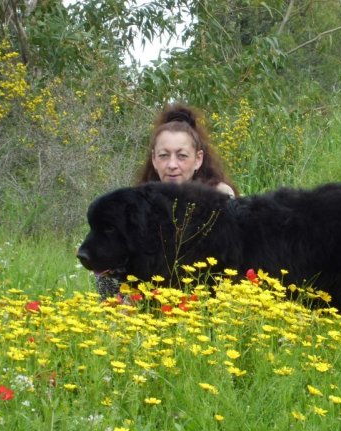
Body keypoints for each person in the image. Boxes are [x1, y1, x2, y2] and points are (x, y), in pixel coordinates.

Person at [95, 103, 238, 299]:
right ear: (154, 159)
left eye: (181, 156)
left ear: (198, 159)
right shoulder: (138, 202)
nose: (172, 165)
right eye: (164, 156)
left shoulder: (220, 195)